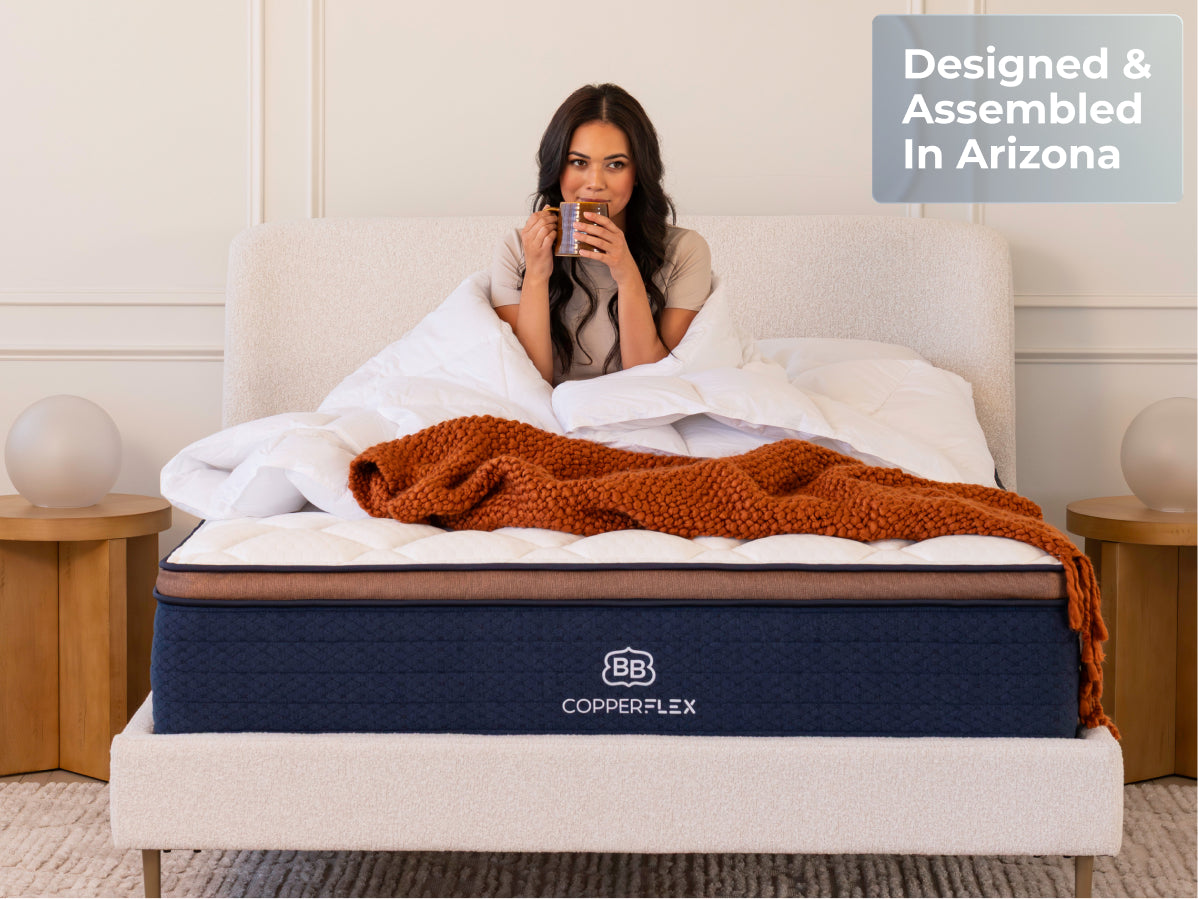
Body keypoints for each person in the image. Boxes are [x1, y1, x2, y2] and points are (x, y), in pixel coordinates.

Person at [490, 84, 712, 385]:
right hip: (550, 413)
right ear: (558, 168)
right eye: (579, 162)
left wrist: (626, 272)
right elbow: (530, 382)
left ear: (638, 174)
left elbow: (652, 380)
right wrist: (537, 274)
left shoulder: (684, 250)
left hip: (637, 409)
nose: (595, 183)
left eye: (615, 164)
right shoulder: (517, 248)